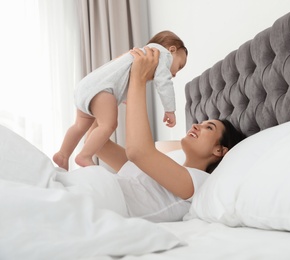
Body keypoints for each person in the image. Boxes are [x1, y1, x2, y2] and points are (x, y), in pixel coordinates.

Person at [90, 46, 246, 221]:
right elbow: (97, 144)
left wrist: (138, 79)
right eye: (200, 123)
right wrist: (112, 82)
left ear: (219, 150)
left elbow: (138, 152)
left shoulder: (199, 182)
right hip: (90, 190)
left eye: (209, 127)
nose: (196, 126)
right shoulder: (163, 166)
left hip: (97, 204)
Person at [53, 31, 188, 170]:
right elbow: (164, 83)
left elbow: (122, 78)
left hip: (86, 86)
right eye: (179, 66)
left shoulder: (141, 54)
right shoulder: (160, 55)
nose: (175, 74)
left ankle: (62, 154)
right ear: (172, 50)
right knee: (108, 125)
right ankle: (85, 155)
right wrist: (170, 110)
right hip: (102, 90)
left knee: (79, 126)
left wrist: (126, 98)